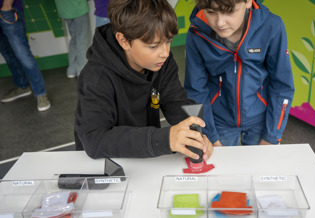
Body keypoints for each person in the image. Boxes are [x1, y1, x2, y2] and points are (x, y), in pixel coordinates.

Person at [74, 0, 214, 160]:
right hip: (106, 162)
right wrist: (165, 139)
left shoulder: (161, 62)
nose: (165, 53)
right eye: (153, 46)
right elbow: (95, 140)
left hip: (145, 155)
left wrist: (192, 133)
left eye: (168, 41)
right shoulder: (96, 77)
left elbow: (175, 101)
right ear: (124, 41)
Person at [184, 0, 295, 146]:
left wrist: (273, 135)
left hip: (261, 120)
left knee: (261, 167)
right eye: (211, 12)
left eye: (228, 11)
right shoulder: (196, 33)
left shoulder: (272, 27)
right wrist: (210, 136)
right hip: (218, 121)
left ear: (248, 2)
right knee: (222, 167)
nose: (220, 23)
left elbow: (282, 86)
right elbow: (195, 90)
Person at [0, 0, 51, 111]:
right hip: (6, 10)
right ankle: (22, 86)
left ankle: (40, 93)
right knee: (7, 54)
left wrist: (7, 5)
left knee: (23, 54)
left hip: (7, 10)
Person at [54, 0, 90, 78]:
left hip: (64, 9)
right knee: (81, 39)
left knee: (74, 38)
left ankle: (71, 69)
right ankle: (82, 70)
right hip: (78, 7)